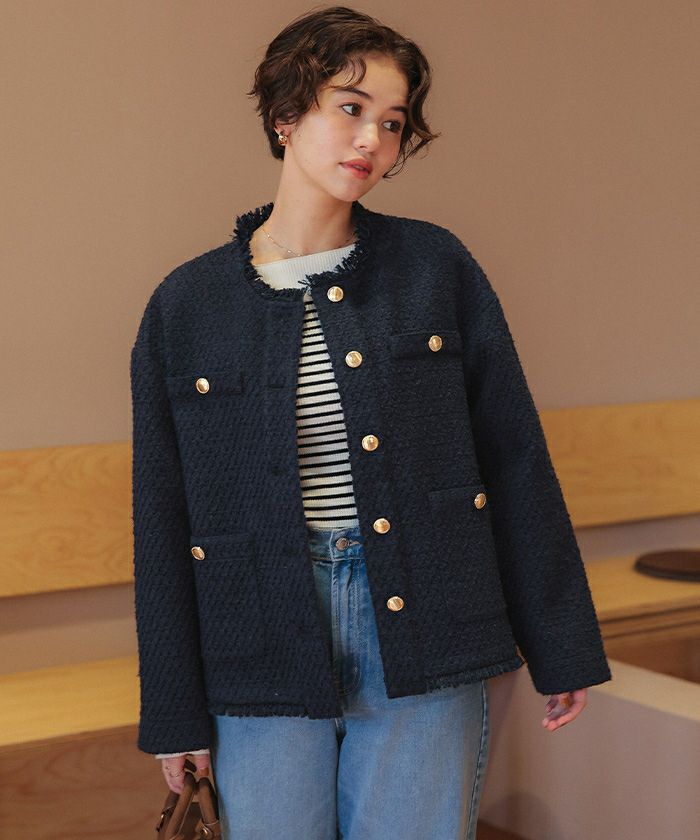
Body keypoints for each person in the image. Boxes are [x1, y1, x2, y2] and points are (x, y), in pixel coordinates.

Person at [130, 6, 612, 839]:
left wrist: (560, 642)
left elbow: (513, 457)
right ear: (286, 116)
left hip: (430, 618)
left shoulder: (436, 267)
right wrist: (174, 709)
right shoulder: (187, 305)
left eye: (392, 123)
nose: (372, 141)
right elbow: (163, 516)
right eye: (350, 109)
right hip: (259, 639)